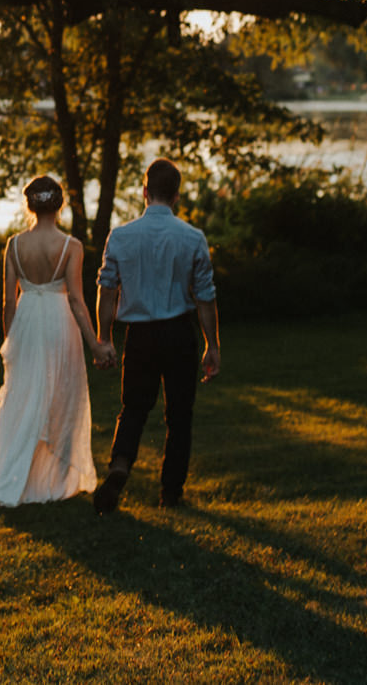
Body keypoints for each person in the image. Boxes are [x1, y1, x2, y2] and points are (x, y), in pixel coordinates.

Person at [0, 176, 116, 508]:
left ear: (30, 205)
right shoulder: (71, 246)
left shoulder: (14, 245)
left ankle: (18, 479)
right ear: (60, 204)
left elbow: (8, 301)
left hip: (26, 322)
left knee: (22, 399)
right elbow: (77, 301)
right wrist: (95, 344)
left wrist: (11, 341)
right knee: (61, 394)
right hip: (58, 322)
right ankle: (55, 481)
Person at [92, 157, 220, 513]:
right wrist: (212, 345)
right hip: (179, 333)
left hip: (140, 337)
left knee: (133, 408)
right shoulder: (193, 237)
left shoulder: (120, 236)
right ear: (176, 195)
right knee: (179, 416)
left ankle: (120, 465)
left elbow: (107, 290)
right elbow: (206, 297)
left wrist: (105, 338)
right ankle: (171, 493)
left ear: (144, 191)